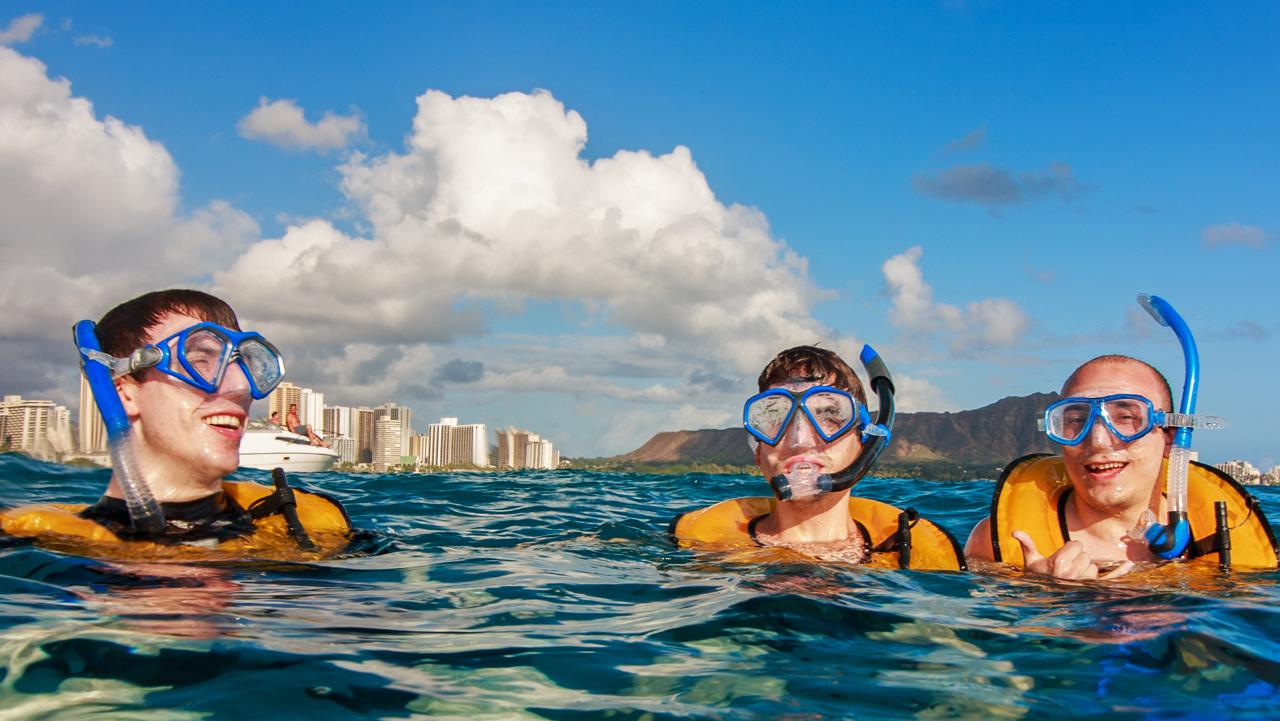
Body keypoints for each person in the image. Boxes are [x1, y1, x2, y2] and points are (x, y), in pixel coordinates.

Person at [0, 289, 353, 559]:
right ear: (125, 393)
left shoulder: (309, 520)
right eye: (199, 360)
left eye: (245, 363)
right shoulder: (36, 537)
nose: (240, 385)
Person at [965, 355, 1277, 578]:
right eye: (1076, 420)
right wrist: (1037, 597)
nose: (1099, 440)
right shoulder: (998, 544)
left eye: (1127, 418)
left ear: (1170, 436)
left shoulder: (1227, 547)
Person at [670, 345, 965, 570]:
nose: (799, 440)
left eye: (829, 415)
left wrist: (1011, 579)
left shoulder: (917, 558)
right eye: (774, 417)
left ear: (865, 441)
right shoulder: (700, 550)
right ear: (758, 450)